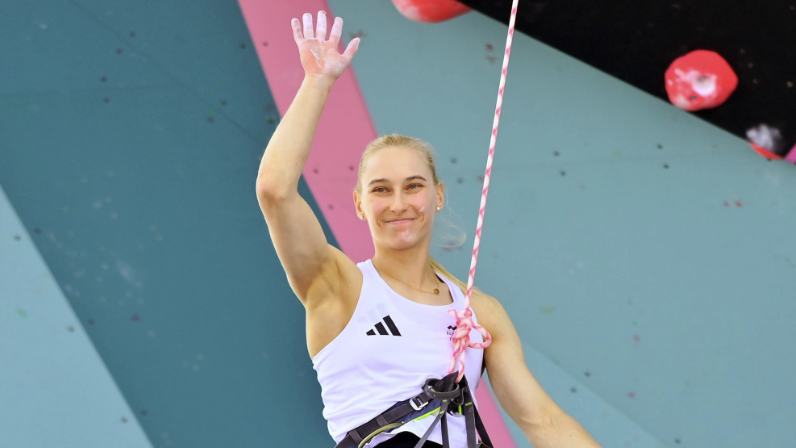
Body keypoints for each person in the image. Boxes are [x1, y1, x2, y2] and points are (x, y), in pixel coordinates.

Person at [256, 10, 603, 448]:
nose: (399, 204)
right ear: (360, 204)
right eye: (381, 190)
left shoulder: (480, 311)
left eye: (413, 187)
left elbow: (543, 422)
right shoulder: (336, 284)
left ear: (437, 196)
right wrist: (318, 83)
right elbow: (274, 190)